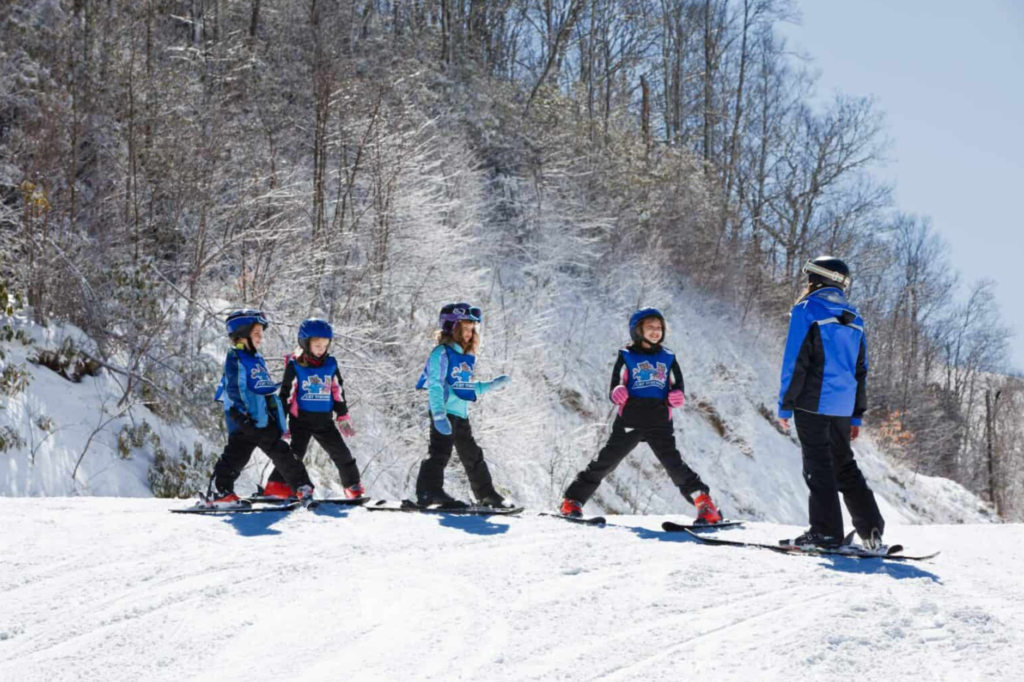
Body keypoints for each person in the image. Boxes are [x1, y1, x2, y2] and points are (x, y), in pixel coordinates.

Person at [559, 308, 723, 523]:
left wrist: (676, 395)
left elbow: (678, 385)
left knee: (674, 465)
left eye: (659, 328)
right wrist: (617, 391)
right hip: (631, 417)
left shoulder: (668, 357)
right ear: (637, 330)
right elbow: (616, 382)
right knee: (606, 461)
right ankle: (572, 500)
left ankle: (704, 503)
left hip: (659, 418)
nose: (656, 331)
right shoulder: (626, 356)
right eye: (650, 327)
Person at [777, 256, 885, 549]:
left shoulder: (807, 310)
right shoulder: (855, 318)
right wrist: (856, 415)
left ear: (815, 280)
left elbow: (795, 361)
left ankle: (825, 532)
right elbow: (861, 370)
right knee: (844, 465)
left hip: (812, 401)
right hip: (842, 406)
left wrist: (785, 404)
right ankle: (872, 530)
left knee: (818, 466)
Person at [205, 309, 314, 509]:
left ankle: (298, 486)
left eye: (261, 334)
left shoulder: (256, 359)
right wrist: (242, 417)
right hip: (246, 421)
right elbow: (235, 388)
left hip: (262, 420)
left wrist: (276, 417)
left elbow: (265, 391)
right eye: (256, 334)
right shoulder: (236, 358)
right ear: (242, 334)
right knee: (236, 457)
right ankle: (219, 492)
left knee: (282, 453)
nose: (260, 338)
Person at [414, 302, 512, 508]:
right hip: (444, 412)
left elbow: (464, 387)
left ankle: (486, 494)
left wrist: (491, 385)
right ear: (451, 328)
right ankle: (428, 492)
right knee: (440, 452)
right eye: (464, 328)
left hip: (461, 413)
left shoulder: (465, 357)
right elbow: (436, 385)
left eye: (471, 329)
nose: (469, 333)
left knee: (472, 454)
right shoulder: (441, 353)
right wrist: (439, 414)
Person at [263, 318, 364, 500]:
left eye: (325, 345)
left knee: (341, 453)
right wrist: (280, 421)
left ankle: (352, 485)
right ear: (305, 343)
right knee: (294, 456)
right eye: (317, 344)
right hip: (300, 421)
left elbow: (337, 389)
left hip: (324, 422)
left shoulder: (330, 364)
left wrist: (342, 414)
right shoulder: (295, 365)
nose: (321, 349)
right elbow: (286, 394)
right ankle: (277, 486)